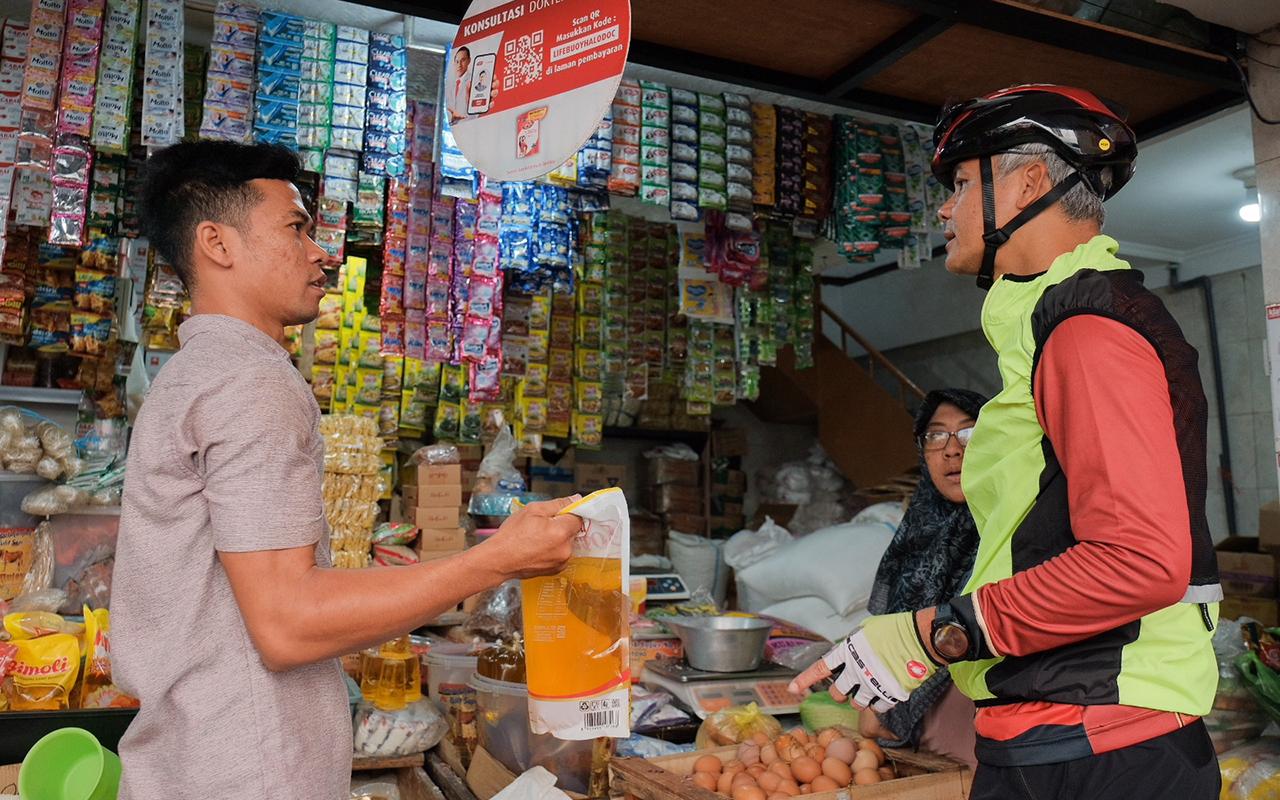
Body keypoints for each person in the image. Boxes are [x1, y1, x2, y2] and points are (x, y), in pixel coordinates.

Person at [111, 141, 583, 799]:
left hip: (195, 760)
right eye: (295, 227)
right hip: (249, 773)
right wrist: (496, 560)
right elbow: (287, 623)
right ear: (217, 243)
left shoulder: (195, 373)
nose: (320, 251)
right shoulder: (250, 381)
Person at [789, 84, 1221, 799]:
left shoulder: (1087, 331)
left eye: (959, 185)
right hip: (1058, 731)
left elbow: (1138, 562)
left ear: (1026, 183)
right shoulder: (1049, 325)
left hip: (1104, 744)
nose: (945, 209)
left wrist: (933, 633)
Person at [861, 388, 987, 770]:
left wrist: (886, 709)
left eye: (968, 433)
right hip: (915, 726)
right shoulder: (917, 534)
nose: (952, 450)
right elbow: (886, 628)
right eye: (936, 436)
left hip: (983, 716)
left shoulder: (1017, 528)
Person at [446, 46, 472, 123]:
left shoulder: (473, 81)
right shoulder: (451, 84)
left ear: (469, 61)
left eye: (463, 60)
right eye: (457, 61)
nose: (459, 65)